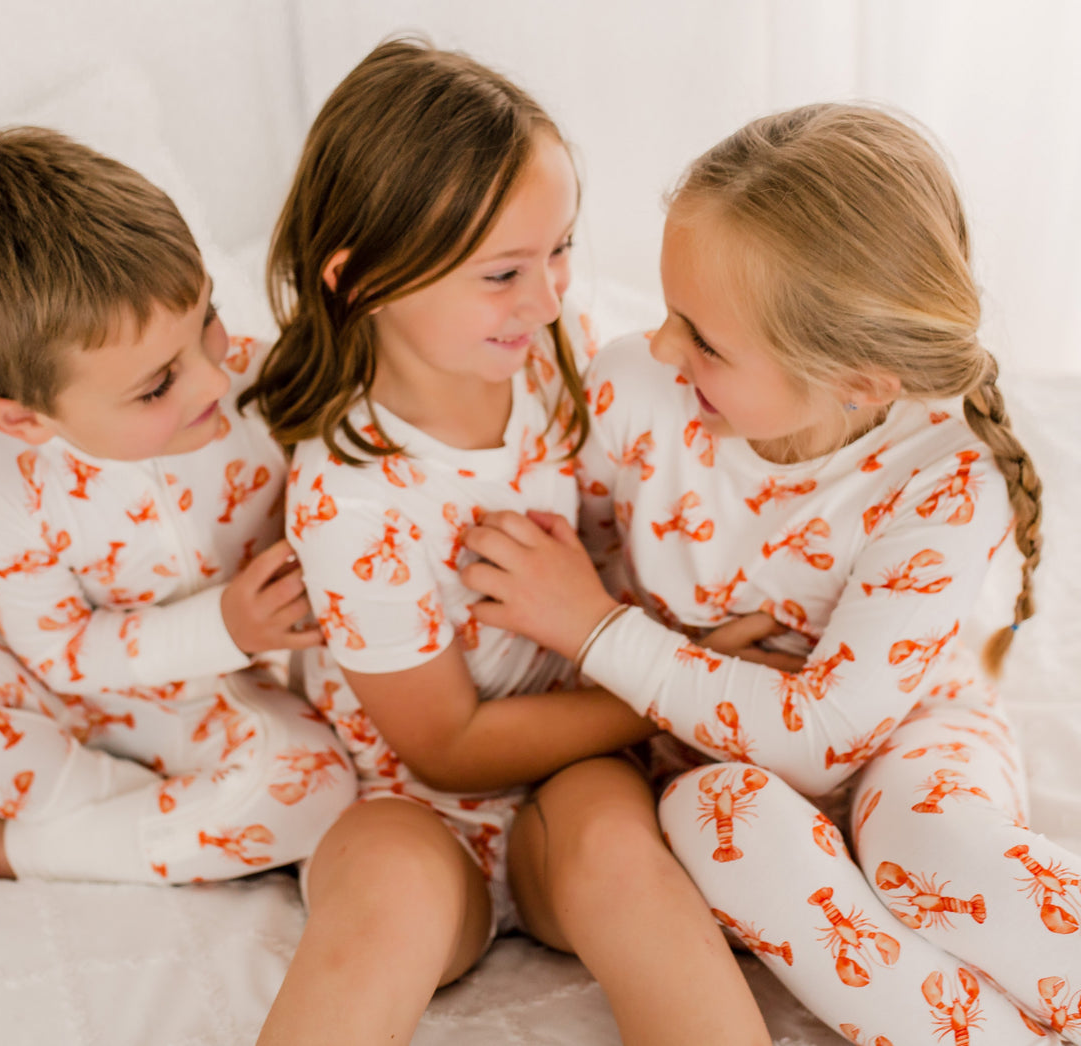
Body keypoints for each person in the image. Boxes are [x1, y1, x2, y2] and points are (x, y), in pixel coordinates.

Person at [462, 103, 1081, 1043]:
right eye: (667, 311)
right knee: (719, 814)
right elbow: (538, 530)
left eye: (701, 336)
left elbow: (828, 731)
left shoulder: (946, 481)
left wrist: (598, 631)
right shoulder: (637, 390)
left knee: (928, 845)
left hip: (910, 729)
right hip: (706, 756)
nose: (663, 346)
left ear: (859, 381)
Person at [244, 38, 770, 1046]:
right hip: (415, 799)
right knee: (383, 892)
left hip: (573, 778)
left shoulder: (552, 358)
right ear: (363, 281)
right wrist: (678, 677)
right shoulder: (350, 495)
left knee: (619, 850)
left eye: (559, 249)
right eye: (502, 273)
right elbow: (442, 747)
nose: (548, 296)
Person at [0, 127, 356, 885]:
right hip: (82, 706)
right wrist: (223, 624)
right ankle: (112, 815)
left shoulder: (261, 378)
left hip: (234, 700)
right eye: (155, 386)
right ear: (23, 420)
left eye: (206, 318)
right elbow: (58, 653)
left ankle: (11, 847)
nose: (213, 382)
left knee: (319, 794)